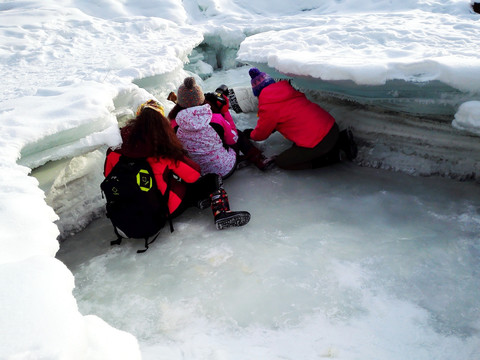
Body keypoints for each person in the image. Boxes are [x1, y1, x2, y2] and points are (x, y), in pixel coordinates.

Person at [104, 99, 251, 230]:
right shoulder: (164, 151)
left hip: (125, 212)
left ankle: (199, 201)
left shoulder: (115, 150)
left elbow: (107, 175)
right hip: (164, 210)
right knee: (211, 179)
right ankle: (221, 212)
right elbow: (194, 175)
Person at [242, 68, 358, 170]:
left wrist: (251, 134)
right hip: (331, 126)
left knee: (283, 162)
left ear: (257, 93)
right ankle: (342, 138)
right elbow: (286, 114)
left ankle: (335, 156)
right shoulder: (288, 91)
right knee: (297, 147)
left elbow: (261, 135)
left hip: (321, 141)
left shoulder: (268, 106)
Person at [168, 77, 271, 178]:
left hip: (200, 174)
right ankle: (259, 159)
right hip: (225, 169)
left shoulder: (173, 123)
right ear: (201, 99)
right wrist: (225, 111)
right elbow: (233, 139)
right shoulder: (215, 118)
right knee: (237, 134)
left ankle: (232, 160)